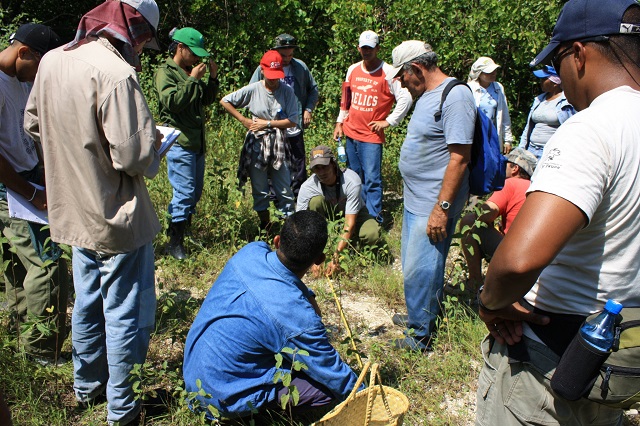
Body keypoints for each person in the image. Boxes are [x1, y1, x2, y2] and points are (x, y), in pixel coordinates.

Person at [475, 0, 640, 425]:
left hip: (549, 363)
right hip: (621, 366)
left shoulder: (591, 128)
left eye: (559, 60)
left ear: (579, 54)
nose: (560, 78)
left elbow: (517, 261)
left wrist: (490, 302)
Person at [24, 1, 163, 424]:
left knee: (87, 300)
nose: (141, 47)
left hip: (72, 210)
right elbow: (135, 156)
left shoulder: (52, 61)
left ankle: (86, 388)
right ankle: (123, 409)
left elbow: (34, 124)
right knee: (125, 313)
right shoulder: (116, 74)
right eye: (142, 39)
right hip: (114, 216)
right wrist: (155, 140)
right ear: (132, 30)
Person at [183, 210, 360, 421]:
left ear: (276, 241)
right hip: (222, 399)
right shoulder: (297, 318)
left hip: (194, 378)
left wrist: (307, 295)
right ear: (319, 260)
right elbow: (334, 373)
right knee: (325, 387)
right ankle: (256, 414)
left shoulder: (250, 251)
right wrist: (369, 398)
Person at [387, 40, 476, 352]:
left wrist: (443, 208)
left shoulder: (456, 96)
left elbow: (459, 158)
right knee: (414, 265)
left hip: (434, 202)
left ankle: (420, 336)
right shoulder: (425, 94)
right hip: (415, 198)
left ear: (417, 68)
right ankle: (418, 315)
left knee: (423, 268)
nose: (400, 82)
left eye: (402, 76)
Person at [0, 23, 68, 365]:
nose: (39, 76)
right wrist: (29, 192)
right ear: (24, 52)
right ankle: (41, 350)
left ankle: (17, 332)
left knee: (16, 266)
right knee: (48, 264)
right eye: (40, 67)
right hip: (13, 187)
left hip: (27, 180)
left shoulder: (19, 79)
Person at [333, 30, 412, 223]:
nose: (366, 51)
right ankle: (357, 214)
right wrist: (339, 122)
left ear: (377, 48)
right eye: (363, 48)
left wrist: (389, 121)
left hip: (371, 136)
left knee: (372, 179)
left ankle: (374, 219)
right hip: (351, 131)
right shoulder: (353, 69)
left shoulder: (389, 72)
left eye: (370, 48)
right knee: (353, 176)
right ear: (359, 48)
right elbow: (346, 99)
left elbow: (406, 97)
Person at [155, 27, 219, 260]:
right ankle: (174, 242)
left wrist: (212, 78)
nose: (196, 58)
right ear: (180, 48)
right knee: (184, 192)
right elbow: (172, 103)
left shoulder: (190, 70)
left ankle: (183, 231)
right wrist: (193, 80)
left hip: (196, 141)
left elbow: (207, 99)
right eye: (193, 53)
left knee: (194, 192)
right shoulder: (166, 72)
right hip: (179, 141)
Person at [221, 50, 297, 229]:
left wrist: (268, 124)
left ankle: (289, 227)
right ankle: (265, 225)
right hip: (257, 145)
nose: (273, 80)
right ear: (262, 70)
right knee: (260, 188)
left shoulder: (287, 92)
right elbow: (225, 101)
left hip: (278, 144)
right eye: (270, 75)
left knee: (284, 188)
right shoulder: (254, 89)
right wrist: (244, 120)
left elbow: (293, 120)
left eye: (276, 76)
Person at [457, 148, 537, 294]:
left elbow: (485, 214)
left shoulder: (511, 183)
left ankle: (474, 283)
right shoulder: (536, 188)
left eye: (506, 164)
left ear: (515, 168)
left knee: (469, 221)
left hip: (514, 257)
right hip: (534, 260)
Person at [250, 33, 319, 197]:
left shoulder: (300, 67)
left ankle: (299, 196)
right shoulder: (265, 67)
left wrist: (308, 109)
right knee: (273, 161)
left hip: (294, 123)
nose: (287, 58)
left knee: (298, 161)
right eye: (283, 55)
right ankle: (275, 197)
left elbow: (313, 89)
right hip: (271, 125)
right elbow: (252, 92)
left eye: (291, 54)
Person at [296, 145, 381, 277]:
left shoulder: (351, 180)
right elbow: (299, 224)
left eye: (325, 166)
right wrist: (312, 258)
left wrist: (336, 255)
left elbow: (349, 223)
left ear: (334, 164)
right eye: (317, 168)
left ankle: (358, 248)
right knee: (315, 201)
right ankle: (323, 241)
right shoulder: (307, 187)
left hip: (354, 214)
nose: (321, 172)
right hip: (327, 217)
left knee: (372, 234)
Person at [520, 65, 576, 160]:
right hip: (531, 149)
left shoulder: (567, 101)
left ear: (555, 82)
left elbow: (572, 129)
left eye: (544, 79)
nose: (540, 82)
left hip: (551, 153)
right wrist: (521, 149)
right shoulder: (539, 100)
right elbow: (528, 127)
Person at [467, 57, 515, 154]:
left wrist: (508, 139)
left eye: (494, 71)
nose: (493, 74)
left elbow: (504, 114)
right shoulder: (470, 88)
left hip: (493, 135)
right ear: (479, 74)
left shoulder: (498, 87)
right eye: (488, 72)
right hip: (477, 135)